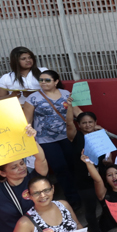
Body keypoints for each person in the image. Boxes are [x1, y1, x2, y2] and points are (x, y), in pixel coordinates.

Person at [22, 69, 81, 209]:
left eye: (47, 80)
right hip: (45, 139)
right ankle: (73, 201)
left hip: (67, 136)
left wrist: (90, 123)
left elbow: (77, 111)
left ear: (56, 81)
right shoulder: (33, 98)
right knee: (60, 168)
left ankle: (79, 194)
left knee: (74, 165)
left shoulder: (66, 94)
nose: (43, 82)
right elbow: (26, 120)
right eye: (41, 80)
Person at [84, 159, 117, 232]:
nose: (113, 176)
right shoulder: (104, 194)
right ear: (106, 179)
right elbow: (97, 180)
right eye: (109, 175)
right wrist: (88, 162)